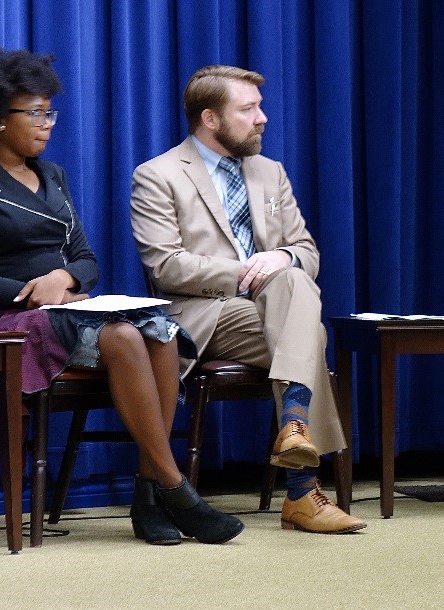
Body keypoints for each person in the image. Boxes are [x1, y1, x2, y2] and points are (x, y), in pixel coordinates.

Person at [0, 47, 244, 545]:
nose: (47, 123)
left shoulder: (53, 176)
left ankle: (148, 495)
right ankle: (174, 488)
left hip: (73, 312)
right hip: (11, 323)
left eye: (49, 111)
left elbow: (87, 260)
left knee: (163, 333)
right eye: (35, 113)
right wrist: (32, 292)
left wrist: (66, 281)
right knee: (124, 336)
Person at [130, 65, 365, 534]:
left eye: (259, 107)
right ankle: (302, 490)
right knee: (309, 336)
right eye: (249, 109)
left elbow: (307, 253)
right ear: (210, 119)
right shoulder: (158, 174)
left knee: (295, 281)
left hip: (272, 307)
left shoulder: (270, 172)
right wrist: (243, 271)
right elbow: (165, 265)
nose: (263, 118)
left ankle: (294, 433)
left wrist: (280, 257)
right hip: (205, 313)